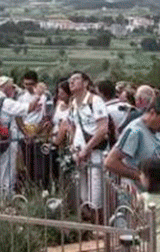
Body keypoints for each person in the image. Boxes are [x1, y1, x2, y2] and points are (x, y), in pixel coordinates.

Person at [0, 76, 40, 198]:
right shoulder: (6, 102)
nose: (13, 90)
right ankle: (6, 201)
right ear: (7, 88)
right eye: (12, 87)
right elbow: (29, 108)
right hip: (5, 141)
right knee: (7, 173)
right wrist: (37, 95)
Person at [105, 94, 160, 188]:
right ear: (153, 113)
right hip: (137, 195)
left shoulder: (158, 130)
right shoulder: (135, 131)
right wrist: (140, 177)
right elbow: (110, 162)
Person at [68, 71, 109, 222]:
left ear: (85, 83)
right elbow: (72, 126)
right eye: (70, 80)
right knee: (83, 190)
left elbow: (103, 128)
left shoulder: (95, 101)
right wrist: (73, 146)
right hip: (79, 152)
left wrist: (87, 148)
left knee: (95, 187)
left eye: (76, 79)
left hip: (95, 151)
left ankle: (99, 223)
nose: (71, 82)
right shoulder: (72, 103)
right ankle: (89, 221)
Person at [139, 158, 160, 252]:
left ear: (149, 178)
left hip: (146, 244)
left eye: (142, 174)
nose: (140, 177)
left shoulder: (142, 198)